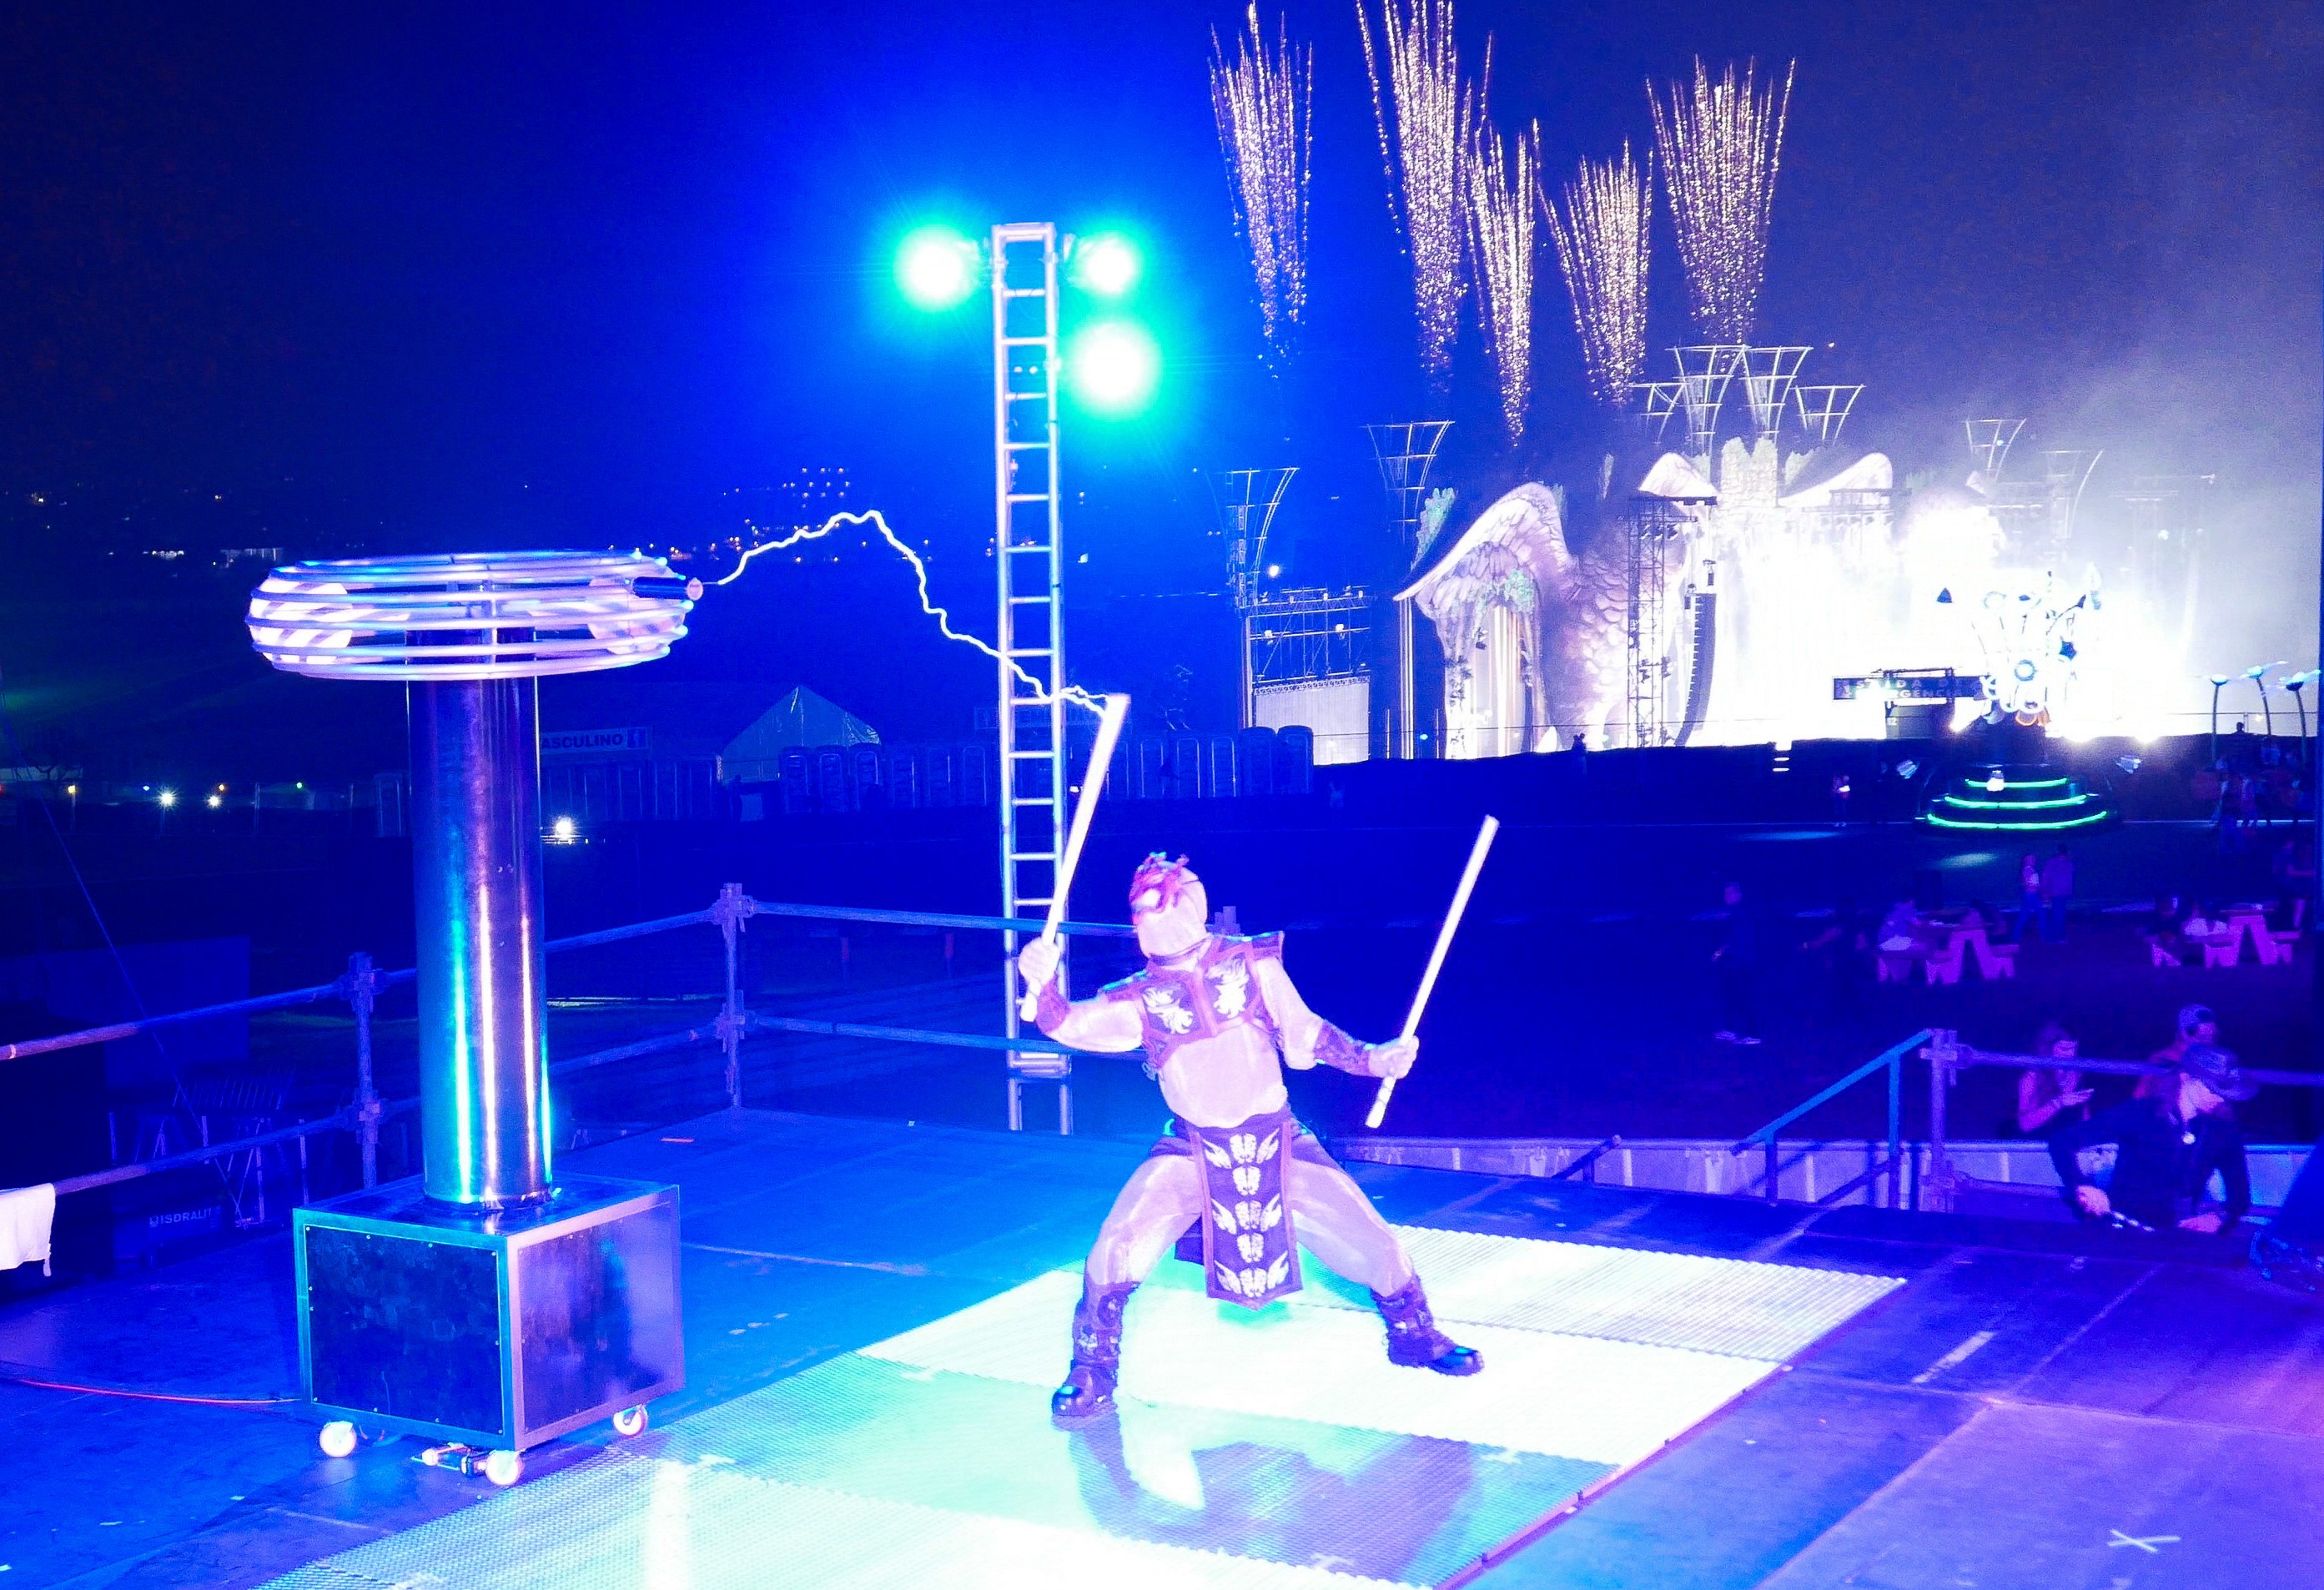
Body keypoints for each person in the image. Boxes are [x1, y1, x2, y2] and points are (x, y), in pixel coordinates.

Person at [1018, 853, 1481, 1423]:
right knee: (1118, 1241)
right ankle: (1091, 1368)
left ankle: (1416, 1335)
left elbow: (1306, 1031)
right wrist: (1040, 982)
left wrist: (1373, 1059)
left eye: (1159, 898)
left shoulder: (1252, 965)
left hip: (1276, 1137)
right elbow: (1066, 1024)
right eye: (1139, 905)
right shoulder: (1136, 997)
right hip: (1191, 1147)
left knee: (1373, 1241)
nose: (1148, 910)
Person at [2047, 1044, 2253, 1234]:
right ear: (2185, 1077)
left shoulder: (2224, 1130)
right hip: (2123, 1229)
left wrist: (2221, 1217)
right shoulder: (2141, 1113)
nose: (2219, 1098)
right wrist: (2082, 1186)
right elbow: (2061, 1141)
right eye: (2212, 1089)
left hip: (2180, 1234)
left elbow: (2240, 1198)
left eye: (2224, 1093)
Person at [2016, 1020, 2093, 1136]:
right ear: (2049, 1050)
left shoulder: (2077, 1074)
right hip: (2036, 1145)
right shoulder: (2031, 1079)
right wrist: (2059, 1102)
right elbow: (2025, 1124)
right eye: (2063, 1049)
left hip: (2067, 1144)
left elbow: (2085, 1118)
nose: (2069, 1055)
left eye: (2072, 1049)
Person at [1711, 881, 1762, 1045]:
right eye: (1726, 893)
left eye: (1731, 893)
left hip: (1742, 961)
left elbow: (1735, 938)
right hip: (1734, 961)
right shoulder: (1734, 912)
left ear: (1739, 895)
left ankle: (1753, 1034)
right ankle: (1730, 1030)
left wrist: (1719, 952)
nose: (1727, 896)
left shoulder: (1741, 913)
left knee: (1743, 996)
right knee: (1731, 995)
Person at [2140, 1003, 2218, 1098]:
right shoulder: (2162, 1059)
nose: (2209, 1043)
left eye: (2212, 1037)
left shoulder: (2215, 1061)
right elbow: (2141, 1096)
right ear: (2184, 1034)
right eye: (2203, 1037)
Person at [2039, 843, 2075, 943]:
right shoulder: (2068, 863)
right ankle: (2057, 937)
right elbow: (2069, 877)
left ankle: (2054, 936)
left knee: (2057, 913)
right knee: (2059, 914)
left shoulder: (2053, 862)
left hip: (2056, 891)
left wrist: (2045, 890)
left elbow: (2045, 876)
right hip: (2062, 892)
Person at [2014, 853, 2042, 943]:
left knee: (2024, 916)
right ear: (2027, 861)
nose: (2034, 860)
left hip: (2030, 894)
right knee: (2041, 915)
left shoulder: (2028, 869)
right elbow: (2026, 884)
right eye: (2031, 859)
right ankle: (2044, 936)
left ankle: (2016, 936)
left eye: (2034, 858)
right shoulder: (2028, 870)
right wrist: (2035, 887)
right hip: (2031, 895)